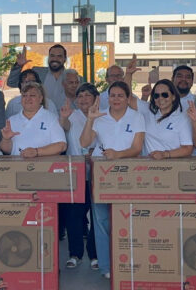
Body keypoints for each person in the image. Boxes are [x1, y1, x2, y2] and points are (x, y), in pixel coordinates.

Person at [80, 81, 145, 280]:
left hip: (129, 173)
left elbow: (137, 148)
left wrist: (118, 155)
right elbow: (84, 143)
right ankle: (106, 266)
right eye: (112, 95)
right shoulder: (100, 117)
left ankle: (129, 262)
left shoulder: (137, 117)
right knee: (101, 221)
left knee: (128, 219)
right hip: (102, 174)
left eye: (120, 95)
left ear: (127, 98)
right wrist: (90, 120)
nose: (115, 99)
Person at [58, 83, 99, 271]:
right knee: (74, 216)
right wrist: (63, 118)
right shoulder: (71, 115)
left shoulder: (104, 116)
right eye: (80, 96)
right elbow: (63, 127)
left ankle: (95, 254)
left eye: (87, 95)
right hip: (76, 174)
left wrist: (95, 151)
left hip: (99, 174)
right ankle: (75, 254)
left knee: (97, 216)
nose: (83, 99)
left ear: (96, 98)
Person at [0, 82, 66, 157]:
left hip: (45, 167)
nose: (28, 98)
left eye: (32, 95)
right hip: (17, 166)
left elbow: (62, 145)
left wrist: (36, 152)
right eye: (24, 95)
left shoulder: (51, 118)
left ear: (41, 98)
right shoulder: (11, 120)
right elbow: (7, 150)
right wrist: (6, 139)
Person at [138, 79, 192, 159]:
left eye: (165, 95)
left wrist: (165, 154)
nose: (160, 98)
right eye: (156, 96)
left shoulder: (182, 118)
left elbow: (188, 149)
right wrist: (128, 74)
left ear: (173, 96)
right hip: (147, 167)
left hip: (171, 167)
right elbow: (127, 98)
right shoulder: (147, 110)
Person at [7, 45, 70, 110]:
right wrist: (18, 66)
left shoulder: (73, 77)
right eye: (52, 56)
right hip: (42, 117)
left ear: (65, 59)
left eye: (59, 56)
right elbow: (11, 82)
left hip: (67, 118)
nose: (55, 59)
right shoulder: (37, 72)